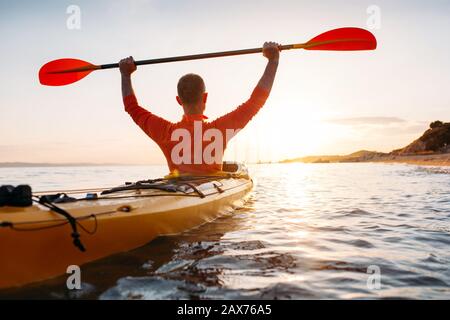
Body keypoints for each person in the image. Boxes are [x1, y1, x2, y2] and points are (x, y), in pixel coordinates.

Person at [119, 42, 280, 175]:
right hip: (211, 191)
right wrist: (273, 61)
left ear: (178, 100)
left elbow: (131, 107)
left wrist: (125, 75)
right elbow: (256, 102)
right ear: (205, 98)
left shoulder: (164, 132)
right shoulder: (221, 129)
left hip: (177, 190)